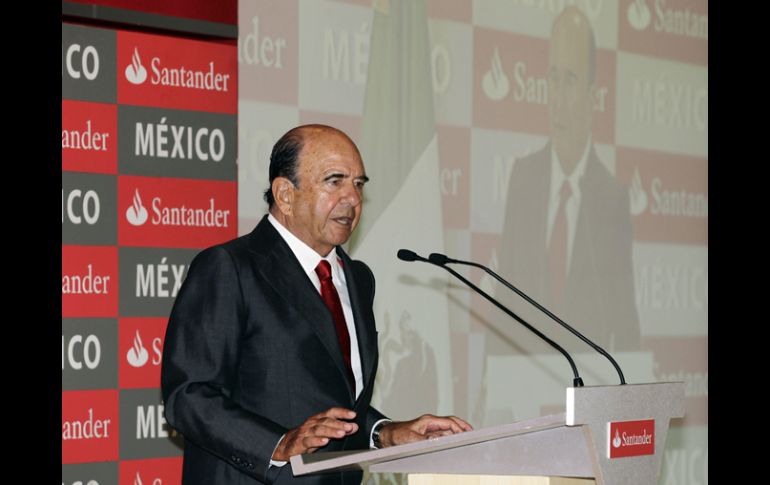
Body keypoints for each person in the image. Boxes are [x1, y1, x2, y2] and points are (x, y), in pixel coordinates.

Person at [161, 124, 472, 485]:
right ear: (285, 194)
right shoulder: (230, 268)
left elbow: (333, 401)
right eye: (334, 181)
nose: (352, 198)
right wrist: (279, 443)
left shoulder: (356, 278)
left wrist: (385, 432)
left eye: (359, 184)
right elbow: (189, 397)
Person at [496, 6, 640, 355]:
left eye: (571, 80)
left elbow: (624, 320)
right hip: (525, 382)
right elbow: (504, 298)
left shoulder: (611, 198)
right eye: (554, 78)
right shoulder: (524, 179)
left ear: (593, 95)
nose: (558, 97)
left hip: (587, 387)